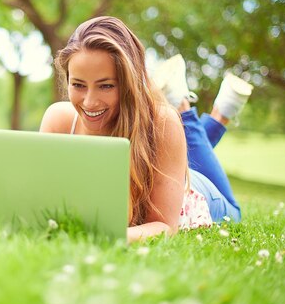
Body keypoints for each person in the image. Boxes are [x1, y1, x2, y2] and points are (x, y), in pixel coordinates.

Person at [39, 16, 253, 243]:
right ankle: (188, 103)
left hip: (195, 193)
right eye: (78, 85)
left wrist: (97, 236)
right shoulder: (59, 120)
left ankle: (204, 110)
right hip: (168, 165)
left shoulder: (162, 123)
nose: (90, 102)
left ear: (129, 83)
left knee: (235, 211)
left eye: (106, 85)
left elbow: (164, 226)